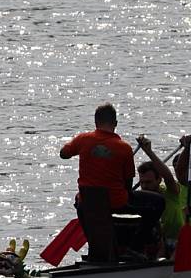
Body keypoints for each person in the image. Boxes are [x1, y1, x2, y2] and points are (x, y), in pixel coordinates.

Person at [60, 103, 164, 255]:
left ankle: (96, 249)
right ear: (115, 123)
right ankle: (135, 247)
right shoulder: (124, 148)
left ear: (96, 122)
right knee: (159, 202)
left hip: (87, 203)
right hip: (116, 202)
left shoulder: (83, 139)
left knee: (80, 202)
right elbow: (128, 184)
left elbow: (63, 154)